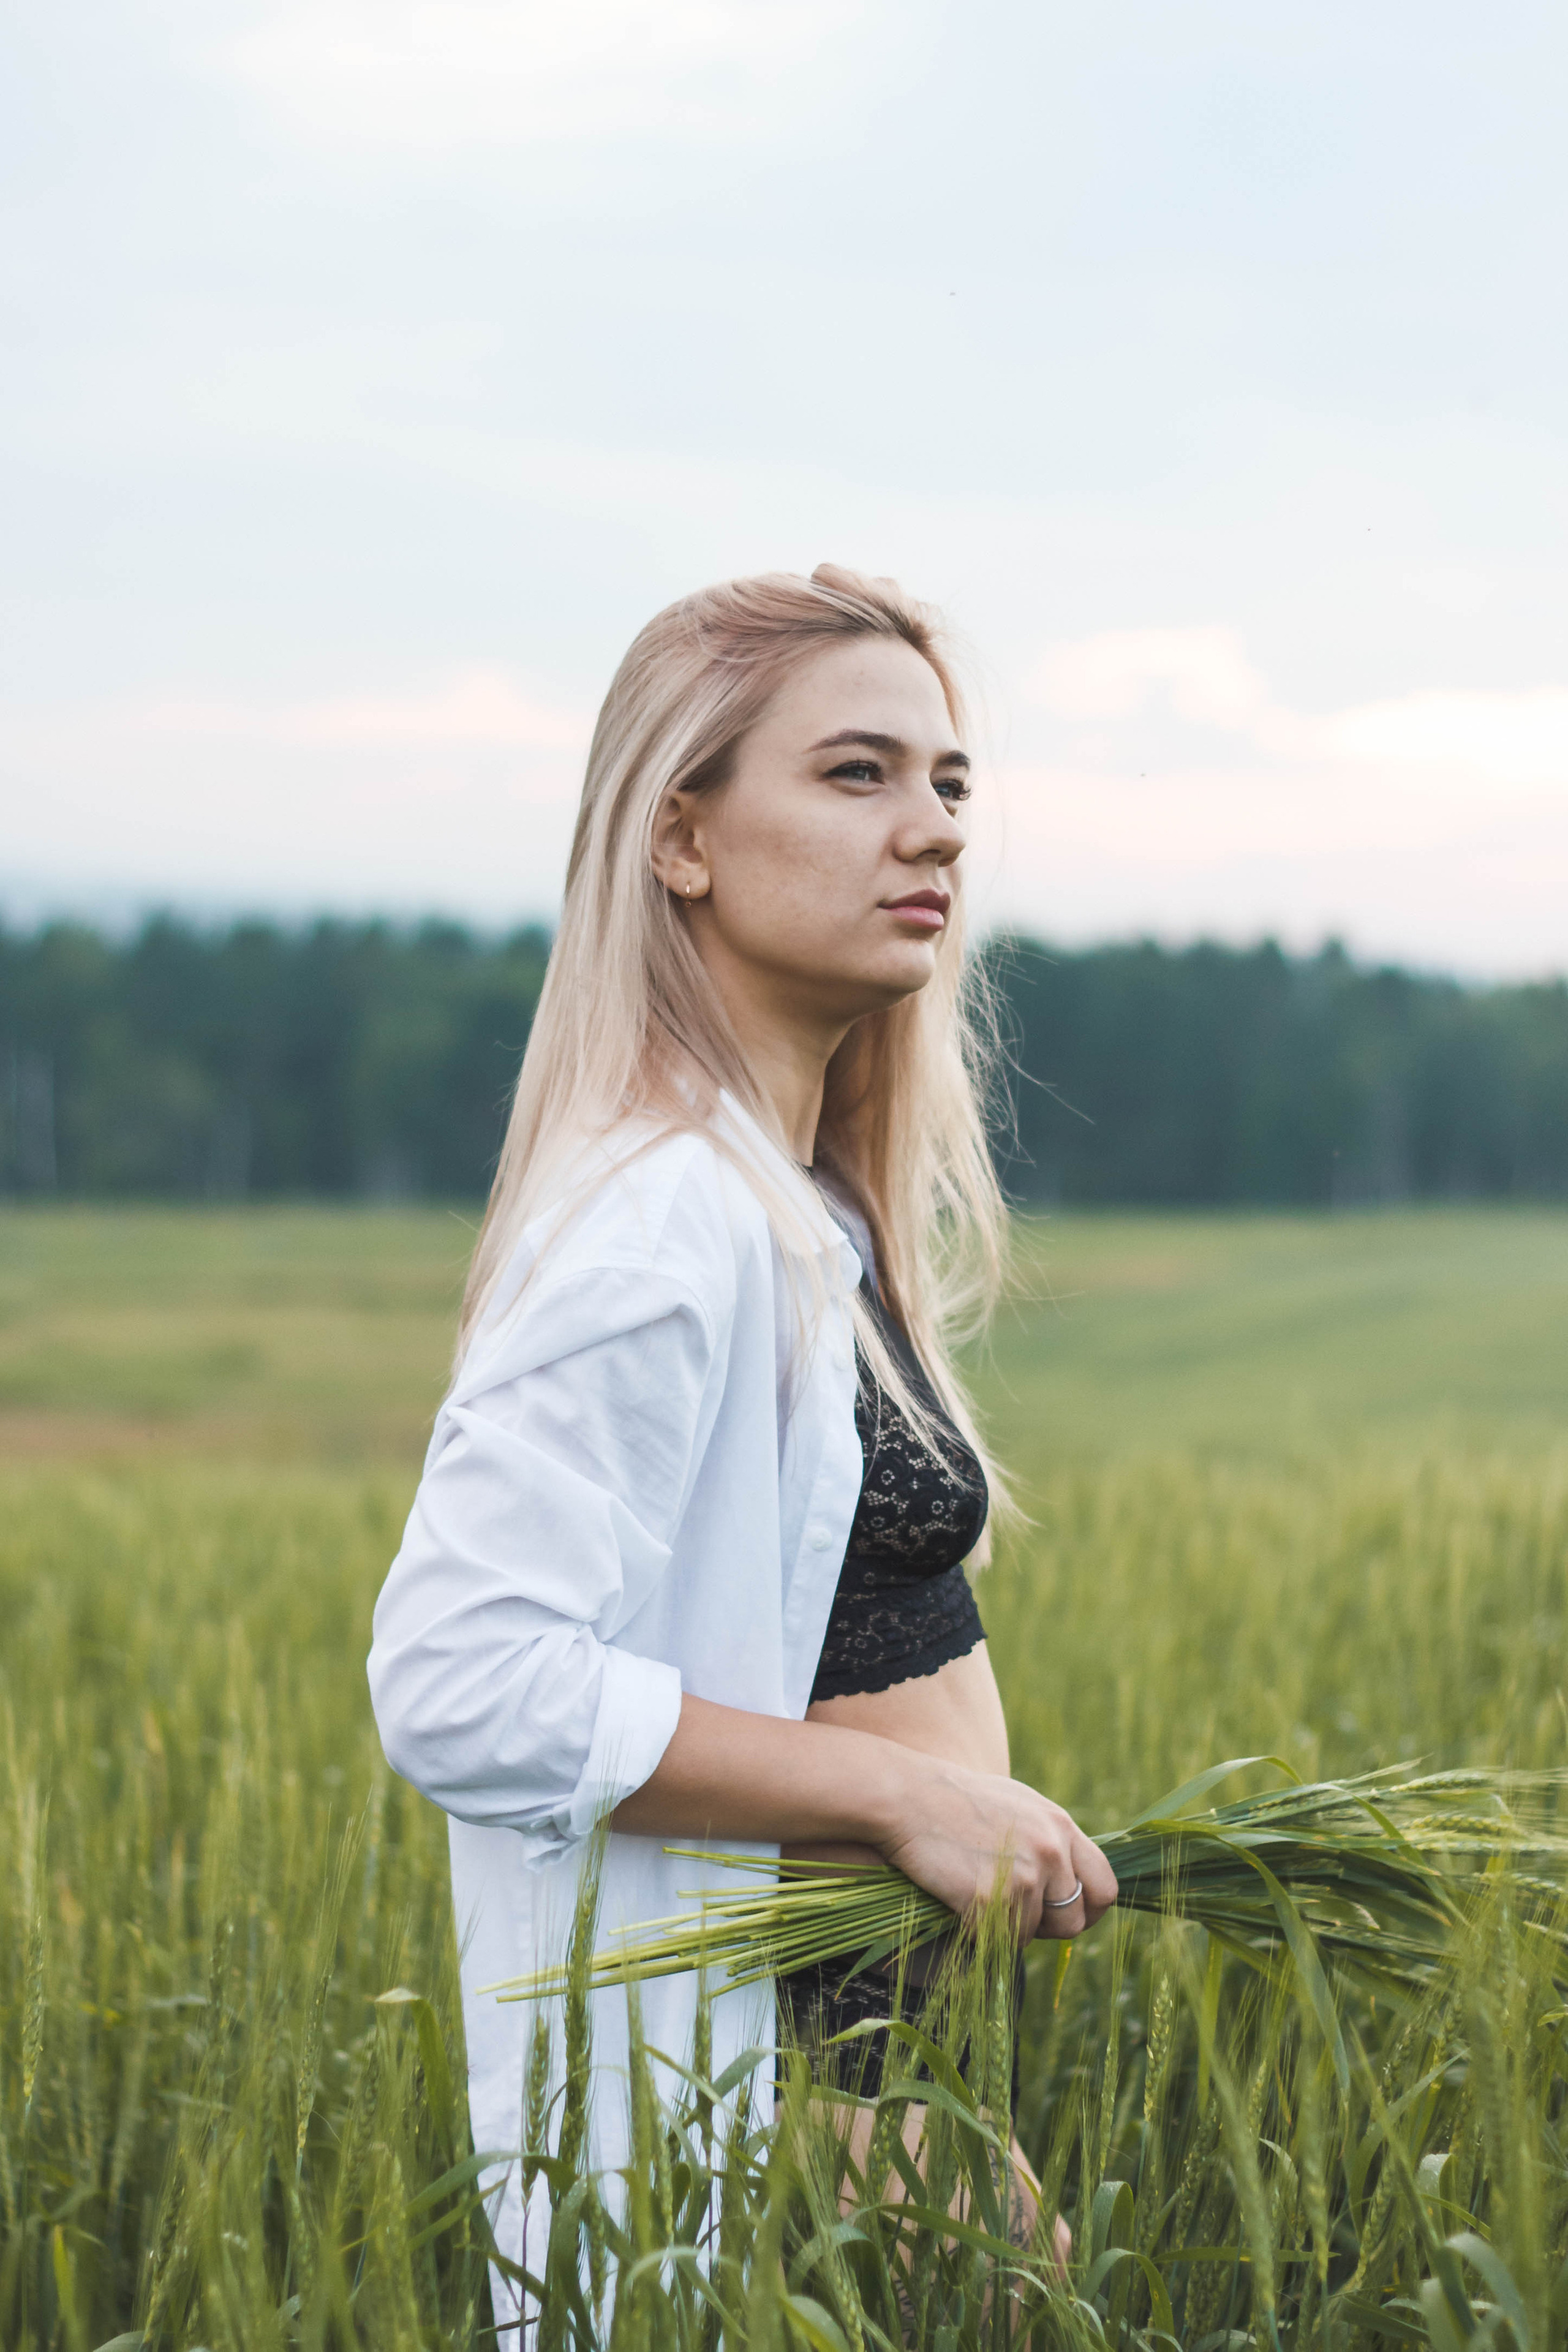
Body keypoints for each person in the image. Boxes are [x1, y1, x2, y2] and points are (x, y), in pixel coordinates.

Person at [366, 564, 1118, 2330]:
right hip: (745, 2072)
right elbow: (461, 1677)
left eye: (948, 785)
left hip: (849, 2049)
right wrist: (910, 1793)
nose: (928, 830)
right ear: (682, 836)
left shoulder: (801, 1202)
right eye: (856, 776)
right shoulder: (655, 1225)